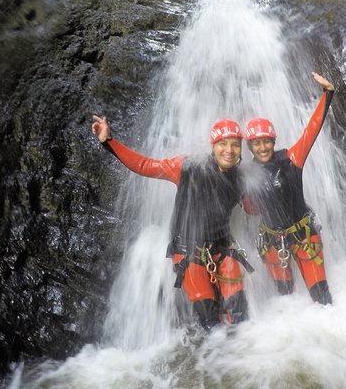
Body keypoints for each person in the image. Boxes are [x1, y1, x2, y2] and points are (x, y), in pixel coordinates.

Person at [91, 115, 254, 331]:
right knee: (210, 324)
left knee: (241, 318)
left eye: (235, 145)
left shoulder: (241, 179)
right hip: (189, 253)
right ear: (213, 146)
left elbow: (252, 207)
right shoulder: (188, 167)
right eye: (223, 144)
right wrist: (108, 141)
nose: (229, 150)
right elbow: (145, 165)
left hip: (223, 252)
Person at [242, 71, 335, 305]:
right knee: (285, 299)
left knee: (321, 297)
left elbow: (311, 131)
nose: (262, 147)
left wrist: (328, 93)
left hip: (303, 236)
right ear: (250, 147)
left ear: (274, 142)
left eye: (266, 142)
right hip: (272, 242)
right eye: (256, 143)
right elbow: (251, 210)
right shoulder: (246, 174)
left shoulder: (292, 158)